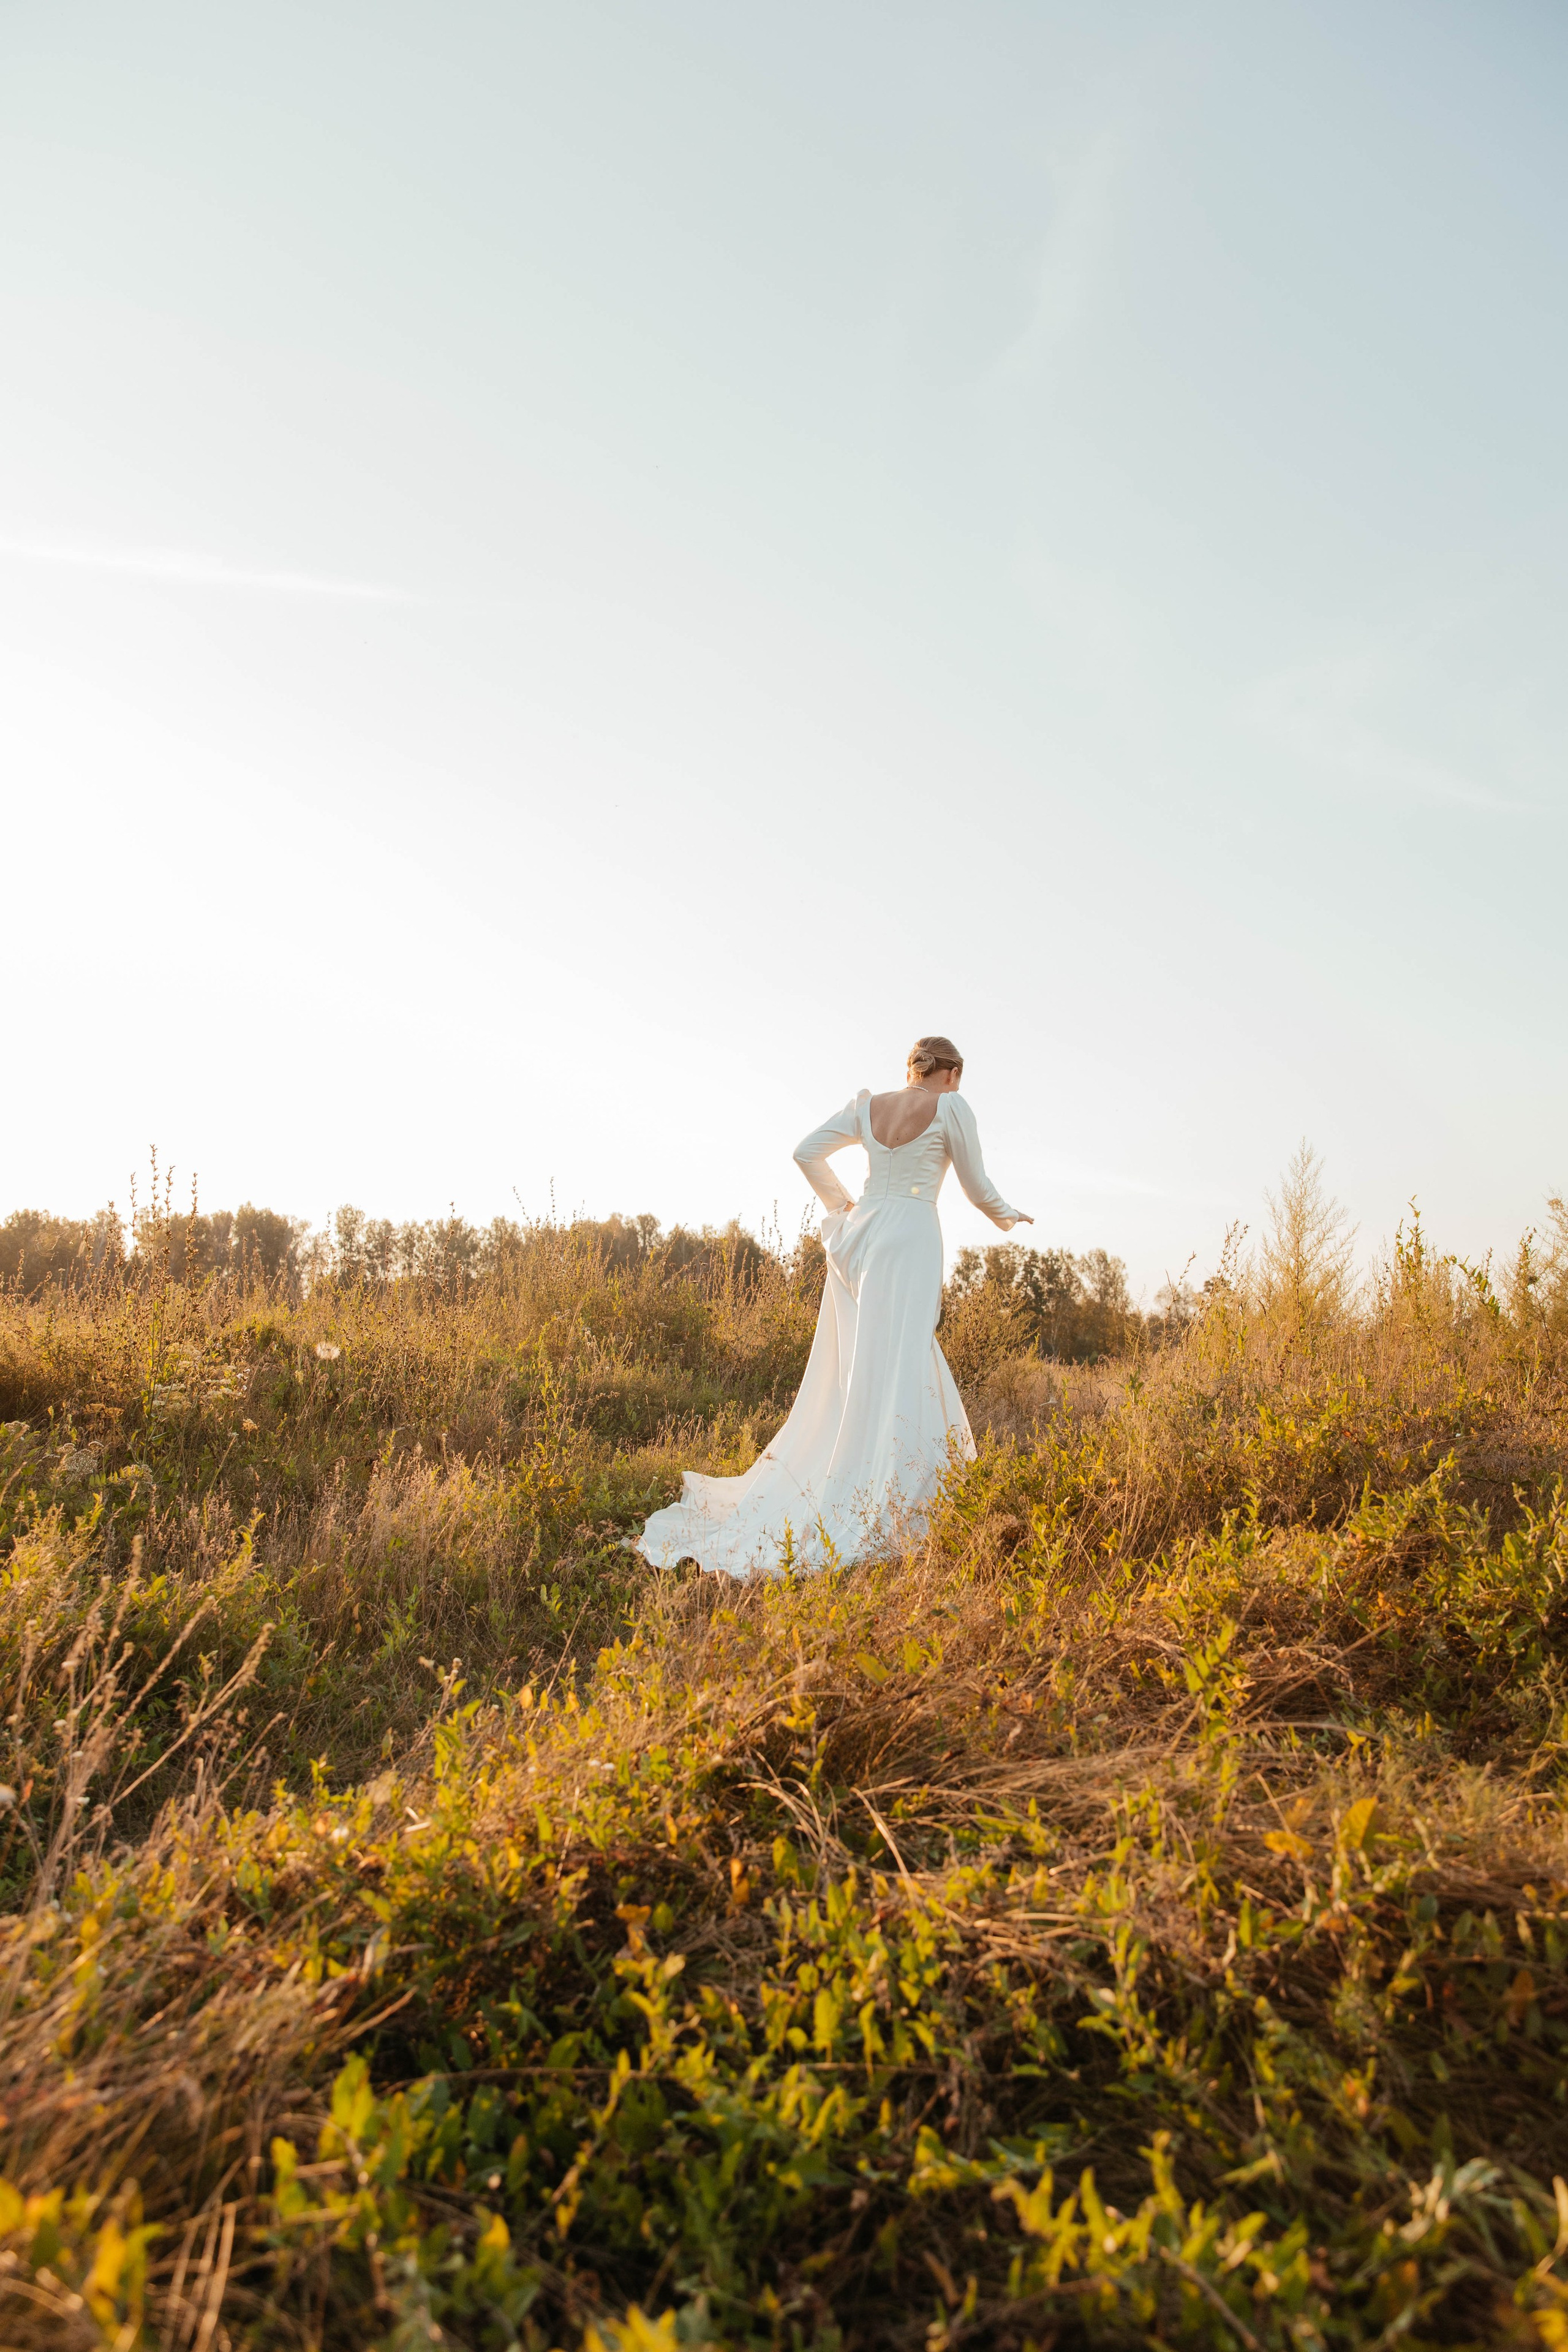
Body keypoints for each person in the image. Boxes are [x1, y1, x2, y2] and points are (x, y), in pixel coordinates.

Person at [635, 1035, 1031, 1578]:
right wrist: (1009, 1215)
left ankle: (870, 1468)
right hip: (911, 1235)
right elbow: (976, 1186)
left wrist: (842, 1204)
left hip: (862, 1234)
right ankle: (900, 1486)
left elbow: (805, 1152)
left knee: (865, 1357)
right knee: (906, 1352)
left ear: (912, 1068)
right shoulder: (952, 1107)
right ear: (952, 1073)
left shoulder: (869, 1106)